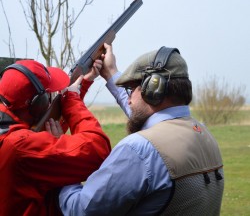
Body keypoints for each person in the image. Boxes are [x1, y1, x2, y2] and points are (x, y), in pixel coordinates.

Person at [59, 44, 224, 215]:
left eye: (130, 89)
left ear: (153, 90)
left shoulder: (139, 150)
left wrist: (60, 160)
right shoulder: (203, 133)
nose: (128, 99)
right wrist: (110, 73)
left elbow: (81, 210)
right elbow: (147, 114)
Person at [0, 59, 111, 216]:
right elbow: (97, 149)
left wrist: (82, 85)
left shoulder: (9, 128)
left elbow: (50, 126)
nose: (51, 98)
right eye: (48, 95)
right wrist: (72, 99)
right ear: (38, 103)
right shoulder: (20, 146)